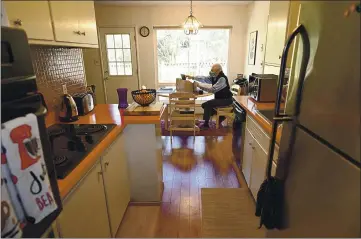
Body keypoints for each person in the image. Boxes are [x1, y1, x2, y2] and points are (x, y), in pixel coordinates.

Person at [185, 64, 233, 129]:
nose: (211, 72)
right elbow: (204, 79)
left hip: (226, 100)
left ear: (219, 71)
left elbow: (212, 90)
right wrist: (192, 77)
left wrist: (199, 86)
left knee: (207, 104)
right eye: (211, 70)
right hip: (220, 99)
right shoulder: (214, 76)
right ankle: (221, 117)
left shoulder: (222, 79)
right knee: (204, 105)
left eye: (213, 71)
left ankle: (206, 125)